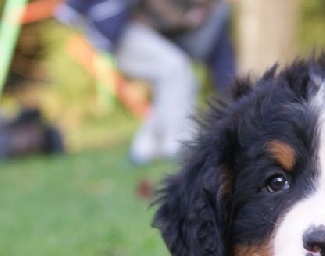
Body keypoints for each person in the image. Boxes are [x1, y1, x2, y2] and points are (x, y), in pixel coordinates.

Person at [57, 0, 236, 165]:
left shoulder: (217, 11)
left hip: (122, 28)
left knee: (172, 80)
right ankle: (178, 145)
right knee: (177, 71)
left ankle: (144, 149)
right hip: (119, 29)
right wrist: (179, 19)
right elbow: (67, 14)